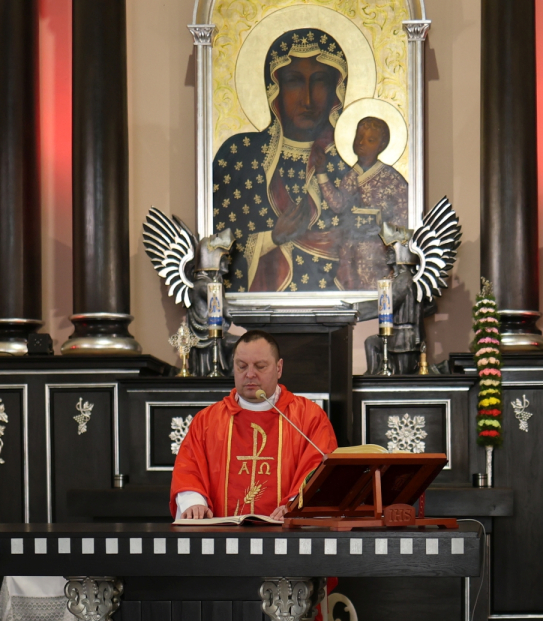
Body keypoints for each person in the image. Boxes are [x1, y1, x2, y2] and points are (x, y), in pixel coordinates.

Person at [212, 27, 352, 293]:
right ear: (274, 88)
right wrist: (272, 238)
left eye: (320, 81)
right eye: (294, 81)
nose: (307, 99)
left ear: (336, 89)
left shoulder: (349, 162)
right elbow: (216, 250)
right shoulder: (239, 156)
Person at [171, 330, 338, 520]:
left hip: (286, 532)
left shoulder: (308, 417)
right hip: (222, 534)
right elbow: (188, 468)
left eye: (260, 366)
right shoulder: (207, 421)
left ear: (279, 368)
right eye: (242, 366)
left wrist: (295, 506)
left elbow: (319, 469)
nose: (250, 374)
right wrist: (194, 502)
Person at [324, 115, 408, 291]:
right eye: (359, 137)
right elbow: (339, 204)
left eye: (370, 140)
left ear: (381, 145)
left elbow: (404, 217)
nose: (361, 143)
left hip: (376, 254)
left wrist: (380, 232)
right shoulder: (351, 176)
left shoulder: (392, 179)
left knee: (374, 292)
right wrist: (321, 174)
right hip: (350, 250)